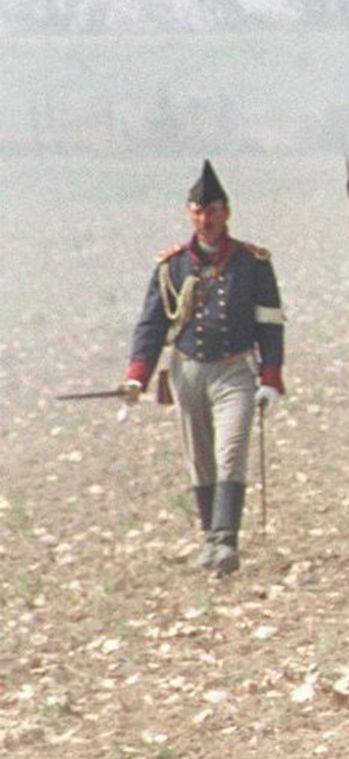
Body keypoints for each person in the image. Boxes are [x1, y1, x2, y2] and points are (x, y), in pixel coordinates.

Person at [120, 160, 285, 576]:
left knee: (231, 451)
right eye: (197, 212)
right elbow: (152, 324)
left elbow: (270, 323)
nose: (205, 220)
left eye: (211, 211)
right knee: (201, 458)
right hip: (188, 369)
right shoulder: (171, 266)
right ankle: (210, 536)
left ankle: (226, 540)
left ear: (225, 212)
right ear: (189, 214)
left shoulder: (253, 262)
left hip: (235, 370)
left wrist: (271, 378)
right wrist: (137, 376)